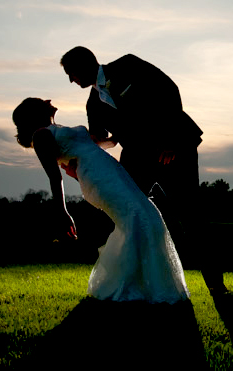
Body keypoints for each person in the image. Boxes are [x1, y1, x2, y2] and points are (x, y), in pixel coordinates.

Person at [60, 46, 227, 293]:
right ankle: (136, 285)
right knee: (126, 213)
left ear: (84, 65)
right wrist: (79, 157)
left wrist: (170, 139)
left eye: (71, 73)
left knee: (191, 215)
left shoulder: (127, 65)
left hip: (174, 148)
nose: (71, 80)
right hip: (137, 158)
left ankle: (217, 287)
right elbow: (105, 141)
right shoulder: (93, 105)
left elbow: (169, 90)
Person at [13, 97, 189, 303]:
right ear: (35, 111)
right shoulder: (41, 135)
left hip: (112, 170)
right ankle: (131, 286)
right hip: (98, 178)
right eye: (41, 100)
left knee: (149, 216)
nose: (48, 99)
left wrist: (120, 133)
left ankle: (143, 282)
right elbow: (55, 176)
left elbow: (104, 144)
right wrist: (63, 212)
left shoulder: (57, 129)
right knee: (137, 217)